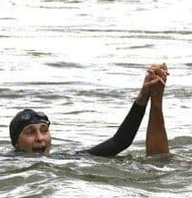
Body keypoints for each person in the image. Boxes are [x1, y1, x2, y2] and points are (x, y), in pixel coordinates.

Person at [9, 62, 168, 157]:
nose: (40, 138)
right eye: (30, 132)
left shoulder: (66, 159)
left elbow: (119, 142)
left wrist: (143, 97)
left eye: (44, 130)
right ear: (16, 144)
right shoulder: (3, 161)